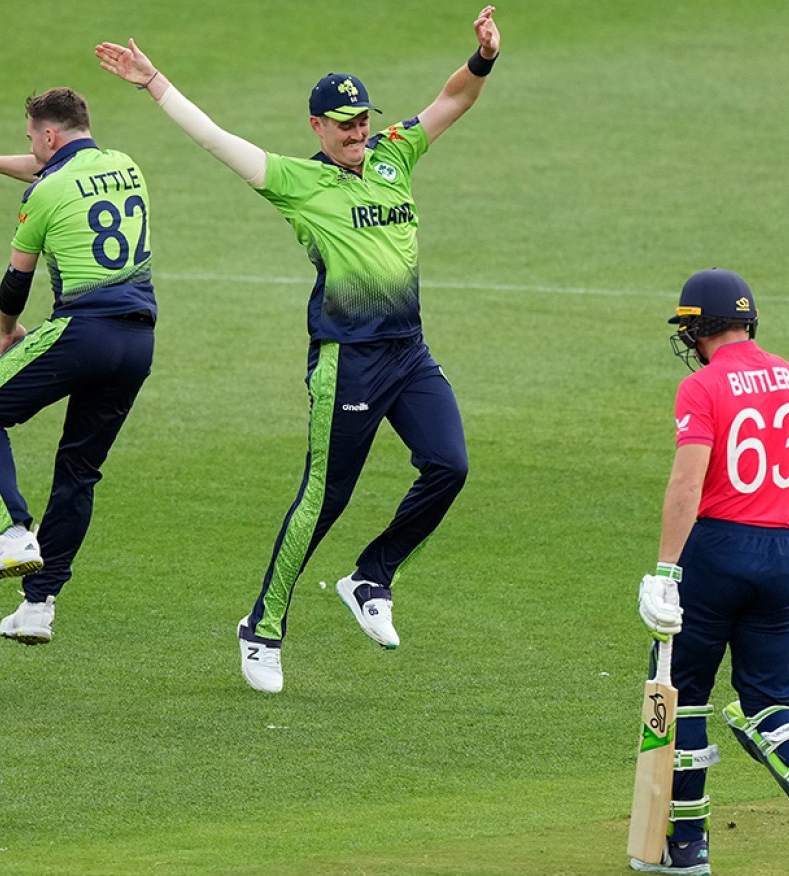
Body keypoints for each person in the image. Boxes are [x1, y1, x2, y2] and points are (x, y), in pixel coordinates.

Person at [96, 6, 500, 693]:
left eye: (362, 120)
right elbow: (216, 140)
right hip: (348, 360)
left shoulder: (394, 154)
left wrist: (484, 56)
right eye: (344, 124)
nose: (356, 133)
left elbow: (452, 98)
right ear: (316, 127)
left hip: (409, 352)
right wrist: (153, 82)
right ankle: (261, 627)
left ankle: (370, 576)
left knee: (449, 466)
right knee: (323, 499)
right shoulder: (295, 181)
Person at [0, 87, 156, 644]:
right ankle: (38, 607)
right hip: (139, 343)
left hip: (83, 332)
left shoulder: (45, 192)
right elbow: (47, 167)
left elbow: (16, 281)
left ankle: (11, 531)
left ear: (48, 135)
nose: (28, 147)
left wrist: (8, 331)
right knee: (79, 471)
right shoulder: (125, 164)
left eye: (30, 136)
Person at [635, 269, 789, 874]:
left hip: (713, 551)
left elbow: (688, 482)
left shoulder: (705, 388)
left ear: (696, 329)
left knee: (682, 696)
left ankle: (686, 847)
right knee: (769, 702)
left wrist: (665, 569)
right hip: (779, 555)